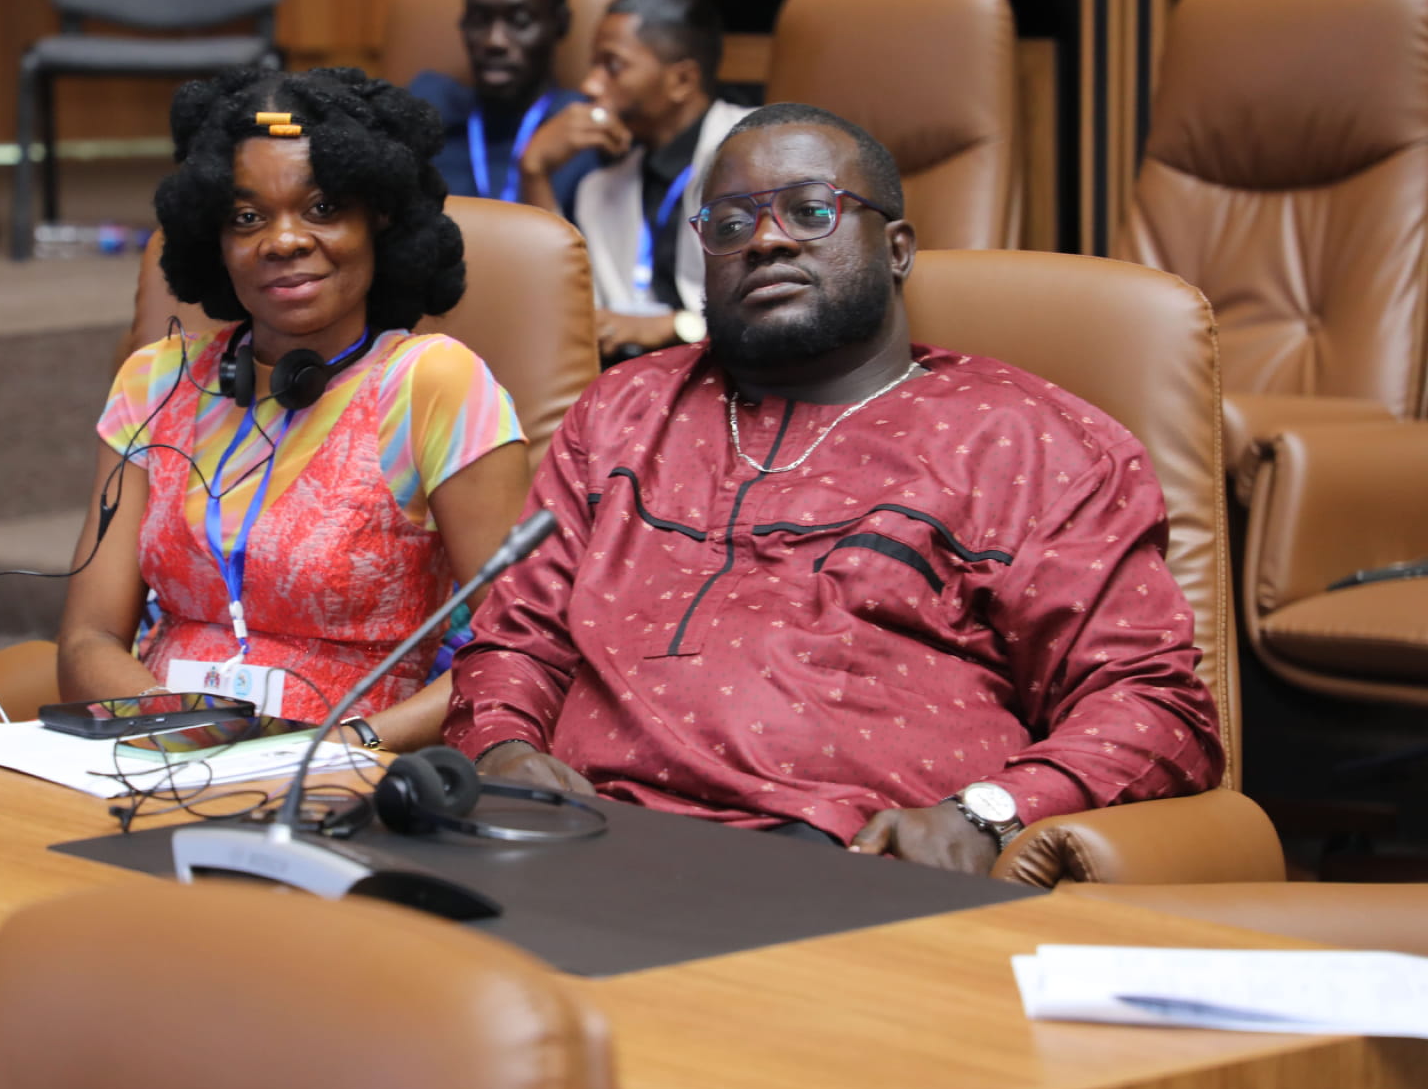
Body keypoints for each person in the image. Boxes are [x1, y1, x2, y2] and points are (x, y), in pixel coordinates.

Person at [444, 103, 1225, 875]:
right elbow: (518, 640)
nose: (767, 240)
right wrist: (504, 750)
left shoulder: (1029, 443)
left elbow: (1156, 708)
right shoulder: (622, 413)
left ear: (897, 249)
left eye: (811, 212)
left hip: (837, 862)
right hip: (577, 844)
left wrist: (989, 814)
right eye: (728, 224)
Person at [58, 67, 531, 753]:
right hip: (153, 755)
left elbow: (517, 650)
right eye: (247, 218)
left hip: (346, 772)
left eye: (321, 209)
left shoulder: (433, 383)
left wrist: (338, 748)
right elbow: (87, 637)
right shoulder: (154, 380)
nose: (282, 240)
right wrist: (191, 740)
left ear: (381, 217)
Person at [519, 0, 755, 362]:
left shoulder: (756, 154)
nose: (590, 86)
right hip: (628, 384)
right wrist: (535, 171)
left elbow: (785, 304)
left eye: (611, 65)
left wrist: (677, 327)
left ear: (681, 81)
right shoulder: (599, 187)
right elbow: (567, 311)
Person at [406, 0, 600, 214]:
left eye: (519, 21)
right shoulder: (424, 115)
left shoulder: (585, 137)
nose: (494, 41)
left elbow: (588, 257)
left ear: (560, 24)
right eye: (479, 19)